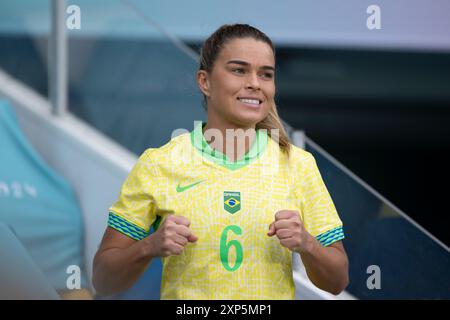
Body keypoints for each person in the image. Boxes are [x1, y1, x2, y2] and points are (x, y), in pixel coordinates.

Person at [92, 24, 349, 299]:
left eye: (266, 74)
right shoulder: (159, 163)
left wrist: (307, 243)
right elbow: (103, 280)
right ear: (205, 82)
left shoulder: (298, 164)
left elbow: (337, 281)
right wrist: (149, 246)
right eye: (239, 70)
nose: (255, 83)